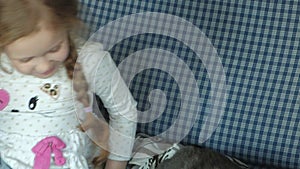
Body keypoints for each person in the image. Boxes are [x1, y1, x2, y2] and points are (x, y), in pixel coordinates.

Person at [0, 0, 137, 169]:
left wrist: (116, 165)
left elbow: (124, 112)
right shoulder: (2, 63)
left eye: (54, 48)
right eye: (26, 59)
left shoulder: (90, 61)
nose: (44, 66)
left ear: (68, 25)